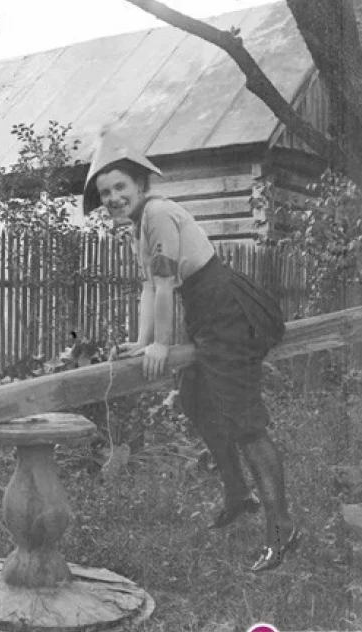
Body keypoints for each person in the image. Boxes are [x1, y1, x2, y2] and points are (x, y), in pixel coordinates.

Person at [83, 132, 300, 572]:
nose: (113, 198)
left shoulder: (159, 213)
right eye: (105, 193)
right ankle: (239, 494)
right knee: (196, 399)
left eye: (121, 187)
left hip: (228, 310)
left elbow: (165, 284)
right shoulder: (138, 225)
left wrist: (163, 343)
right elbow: (149, 285)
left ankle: (282, 530)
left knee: (246, 425)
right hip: (205, 312)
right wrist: (145, 342)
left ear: (141, 185)